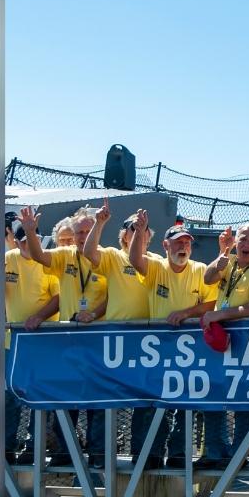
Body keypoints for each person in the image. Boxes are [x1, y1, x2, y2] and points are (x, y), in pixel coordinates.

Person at [129, 210, 218, 469]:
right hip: (156, 349)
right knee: (150, 401)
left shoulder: (201, 270)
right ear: (165, 245)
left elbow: (211, 303)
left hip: (190, 350)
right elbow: (135, 260)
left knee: (185, 404)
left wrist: (186, 313)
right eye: (178, 242)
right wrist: (138, 231)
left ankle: (179, 454)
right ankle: (148, 454)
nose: (184, 246)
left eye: (187, 242)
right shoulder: (156, 267)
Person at [20, 205, 109, 465]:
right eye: (79, 232)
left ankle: (97, 455)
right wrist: (30, 231)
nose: (82, 237)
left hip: (97, 343)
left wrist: (92, 314)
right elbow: (38, 256)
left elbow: (114, 295)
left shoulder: (108, 257)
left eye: (86, 231)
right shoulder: (65, 255)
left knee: (97, 402)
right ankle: (64, 455)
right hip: (68, 343)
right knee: (65, 400)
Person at [196, 224, 249, 469]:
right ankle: (214, 451)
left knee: (244, 400)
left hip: (248, 344)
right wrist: (217, 262)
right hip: (220, 341)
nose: (248, 244)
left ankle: (238, 454)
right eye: (244, 239)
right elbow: (208, 279)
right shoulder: (228, 261)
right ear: (236, 241)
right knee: (212, 394)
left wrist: (220, 316)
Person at [83, 199, 153, 468]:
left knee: (145, 403)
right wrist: (100, 223)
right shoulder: (113, 256)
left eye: (142, 227)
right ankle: (100, 456)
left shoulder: (157, 261)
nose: (137, 230)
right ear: (123, 234)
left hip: (147, 344)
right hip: (114, 343)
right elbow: (90, 252)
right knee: (106, 400)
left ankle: (143, 455)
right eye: (131, 227)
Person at [4, 220, 60, 464]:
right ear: (16, 242)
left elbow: (58, 297)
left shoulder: (47, 260)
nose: (29, 245)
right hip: (12, 341)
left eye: (33, 239)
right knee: (9, 395)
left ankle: (33, 446)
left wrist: (38, 318)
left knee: (39, 396)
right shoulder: (8, 259)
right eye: (24, 241)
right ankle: (5, 448)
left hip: (42, 341)